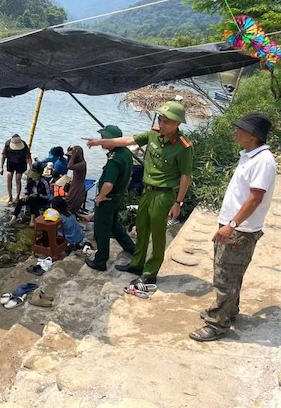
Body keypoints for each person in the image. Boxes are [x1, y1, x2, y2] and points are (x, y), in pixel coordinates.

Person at [83, 101, 193, 286]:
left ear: (178, 124)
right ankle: (137, 263)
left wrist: (178, 202)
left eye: (167, 121)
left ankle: (150, 273)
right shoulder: (153, 134)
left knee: (157, 235)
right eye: (161, 119)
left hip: (164, 194)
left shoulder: (183, 146)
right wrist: (101, 142)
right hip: (147, 191)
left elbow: (185, 176)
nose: (162, 124)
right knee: (142, 229)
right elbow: (128, 140)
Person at [189, 113, 276, 342]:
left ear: (253, 136)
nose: (236, 132)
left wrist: (232, 225)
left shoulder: (263, 161)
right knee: (230, 274)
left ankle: (217, 324)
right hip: (234, 224)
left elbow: (255, 198)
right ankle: (229, 311)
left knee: (225, 277)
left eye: (241, 129)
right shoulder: (249, 155)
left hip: (240, 229)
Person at [84, 125, 136, 271]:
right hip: (118, 196)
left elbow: (108, 184)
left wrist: (100, 197)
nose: (101, 141)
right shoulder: (125, 153)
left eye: (103, 139)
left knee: (101, 229)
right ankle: (131, 248)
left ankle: (100, 261)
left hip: (108, 199)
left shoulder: (115, 159)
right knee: (114, 225)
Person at [8, 162, 51, 227]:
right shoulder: (30, 180)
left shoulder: (44, 183)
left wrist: (38, 195)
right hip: (30, 197)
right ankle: (14, 218)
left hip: (41, 199)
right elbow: (26, 189)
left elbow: (48, 196)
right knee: (21, 201)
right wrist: (26, 195)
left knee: (32, 199)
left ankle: (32, 220)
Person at [0, 134, 32, 206]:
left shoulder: (24, 145)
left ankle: (17, 196)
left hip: (21, 163)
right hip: (11, 162)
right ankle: (10, 196)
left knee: (18, 178)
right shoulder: (8, 144)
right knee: (9, 176)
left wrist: (31, 167)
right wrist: (1, 167)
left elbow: (28, 157)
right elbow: (3, 156)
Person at [65, 145, 87, 215]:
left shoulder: (82, 164)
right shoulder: (78, 163)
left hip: (78, 187)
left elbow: (69, 166)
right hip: (74, 184)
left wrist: (74, 155)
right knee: (68, 202)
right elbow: (69, 164)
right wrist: (69, 155)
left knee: (72, 204)